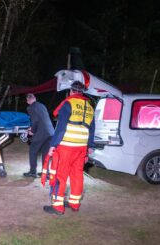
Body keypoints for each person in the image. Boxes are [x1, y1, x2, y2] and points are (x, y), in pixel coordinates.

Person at [43, 81, 95, 215]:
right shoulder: (89, 106)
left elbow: (60, 128)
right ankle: (74, 203)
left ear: (71, 91)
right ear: (82, 92)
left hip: (67, 146)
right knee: (77, 175)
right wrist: (90, 146)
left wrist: (53, 145)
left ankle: (58, 207)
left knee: (60, 175)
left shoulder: (68, 104)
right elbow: (92, 129)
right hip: (81, 148)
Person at [23, 93, 54, 178]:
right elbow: (42, 119)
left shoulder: (30, 107)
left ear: (28, 100)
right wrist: (32, 128)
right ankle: (45, 173)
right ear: (35, 98)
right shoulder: (42, 105)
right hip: (50, 132)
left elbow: (35, 120)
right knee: (46, 153)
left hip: (41, 133)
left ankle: (33, 172)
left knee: (33, 151)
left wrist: (32, 131)